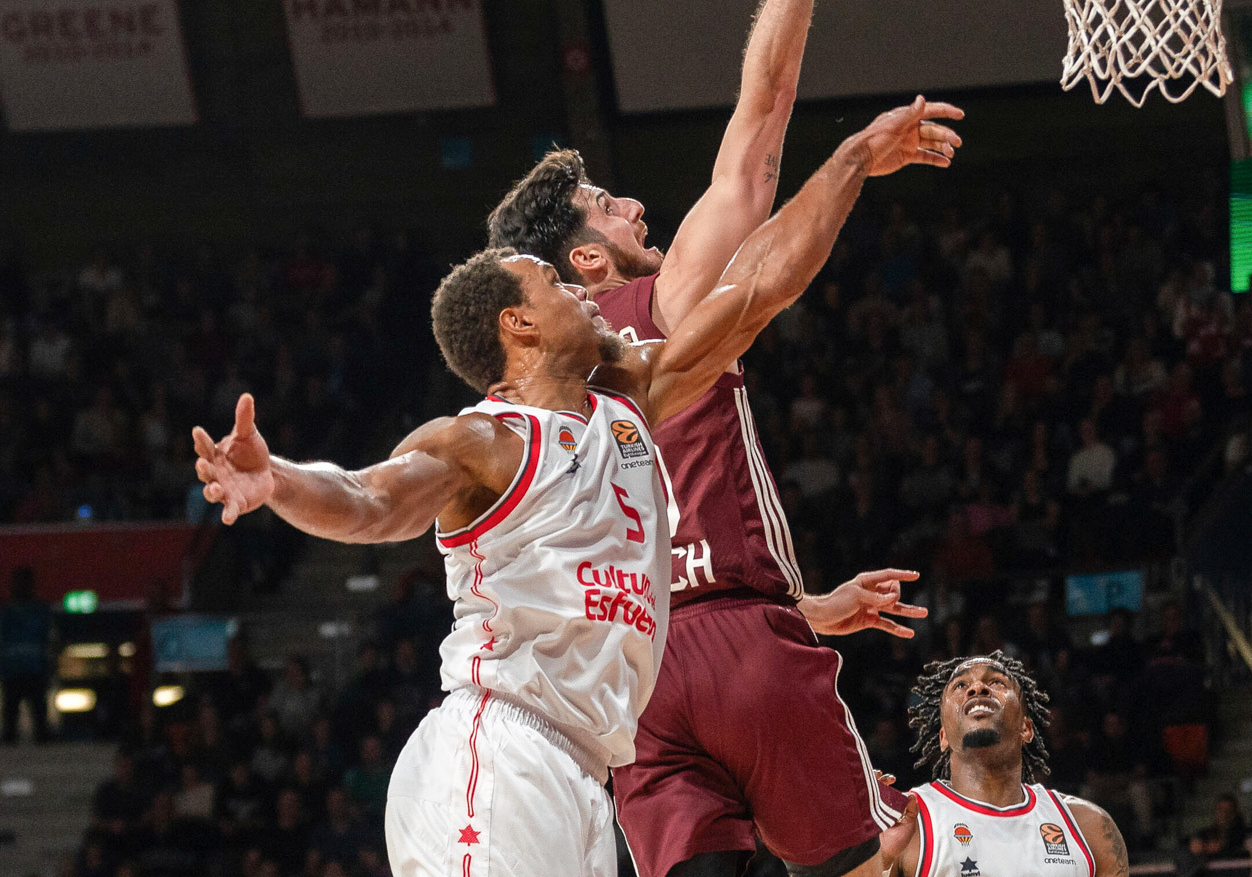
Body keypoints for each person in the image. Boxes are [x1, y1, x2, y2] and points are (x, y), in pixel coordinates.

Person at [191, 96, 964, 877]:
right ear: (517, 326)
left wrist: (850, 162)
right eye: (554, 290)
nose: (582, 295)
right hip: (497, 751)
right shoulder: (482, 440)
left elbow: (760, 289)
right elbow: (369, 499)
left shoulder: (627, 412)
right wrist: (278, 481)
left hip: (585, 771)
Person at [485, 0, 973, 877]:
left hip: (629, 683)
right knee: (879, 861)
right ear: (585, 269)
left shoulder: (517, 397)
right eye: (609, 209)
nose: (634, 207)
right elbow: (760, 128)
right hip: (740, 642)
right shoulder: (663, 306)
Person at [880, 652, 1128, 877]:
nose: (977, 687)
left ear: (1026, 728)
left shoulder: (1088, 826)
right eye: (960, 685)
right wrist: (879, 858)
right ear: (942, 737)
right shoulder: (905, 823)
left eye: (996, 682)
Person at [0, 565, 53, 744]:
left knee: (39, 715)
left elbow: (50, 639)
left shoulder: (40, 611)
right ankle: (11, 747)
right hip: (14, 671)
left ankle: (41, 745)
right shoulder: (3, 612)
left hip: (33, 670)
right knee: (11, 716)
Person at [1187, 794, 1247, 858]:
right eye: (1220, 810)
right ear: (1215, 812)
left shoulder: (1243, 834)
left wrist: (1222, 846)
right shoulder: (1205, 833)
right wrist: (1201, 845)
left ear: (1234, 813)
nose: (1223, 814)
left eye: (1228, 810)